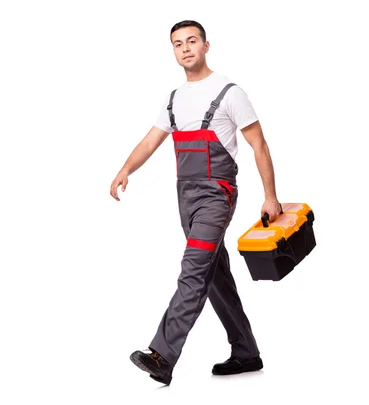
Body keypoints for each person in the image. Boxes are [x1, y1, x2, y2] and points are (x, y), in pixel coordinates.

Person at [110, 20, 282, 386]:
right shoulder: (174, 99)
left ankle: (162, 354)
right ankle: (246, 352)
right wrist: (126, 169)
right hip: (185, 198)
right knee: (214, 275)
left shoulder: (230, 92)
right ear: (173, 52)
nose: (185, 48)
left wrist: (270, 196)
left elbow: (259, 145)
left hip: (217, 195)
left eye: (192, 41)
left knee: (192, 271)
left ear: (206, 46)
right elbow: (149, 141)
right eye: (178, 44)